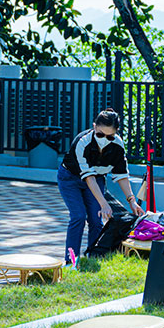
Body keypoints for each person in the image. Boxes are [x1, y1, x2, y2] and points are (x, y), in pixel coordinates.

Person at [58, 108, 145, 264]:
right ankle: (71, 262)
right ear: (94, 127)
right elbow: (88, 177)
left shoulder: (118, 145)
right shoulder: (82, 142)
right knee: (78, 216)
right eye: (100, 134)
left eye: (109, 136)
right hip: (70, 178)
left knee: (96, 219)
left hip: (97, 178)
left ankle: (93, 257)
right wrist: (103, 203)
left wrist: (132, 201)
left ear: (116, 132)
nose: (104, 139)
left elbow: (121, 175)